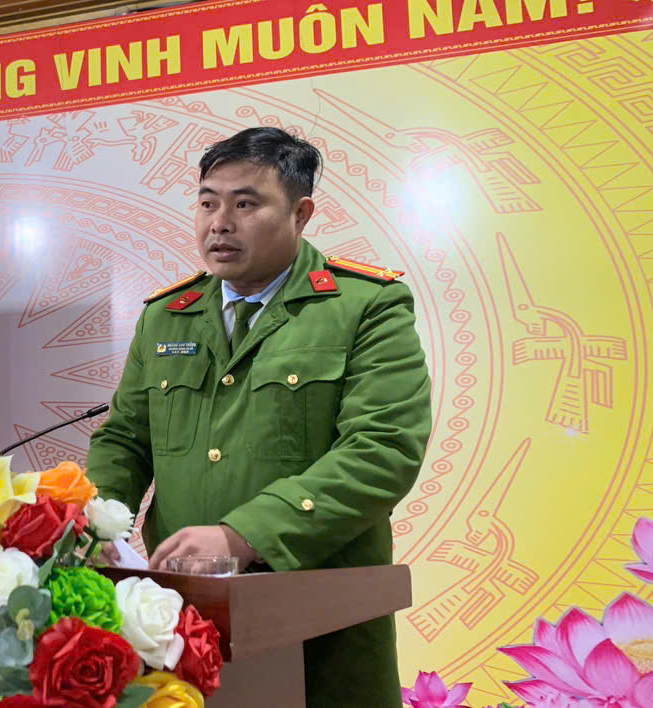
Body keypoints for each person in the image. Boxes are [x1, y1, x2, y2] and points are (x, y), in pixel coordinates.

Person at [86, 127, 432, 707]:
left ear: (301, 214)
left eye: (245, 204)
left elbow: (382, 450)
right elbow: (125, 440)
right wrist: (93, 527)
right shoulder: (167, 316)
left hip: (319, 627)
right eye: (207, 203)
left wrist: (244, 535)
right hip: (175, 620)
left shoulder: (365, 307)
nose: (219, 224)